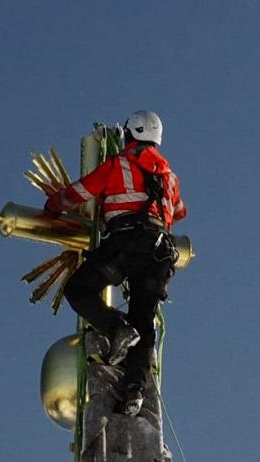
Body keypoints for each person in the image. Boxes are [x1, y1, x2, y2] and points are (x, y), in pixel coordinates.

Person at [43, 110, 187, 415]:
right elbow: (179, 211)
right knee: (145, 322)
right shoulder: (169, 176)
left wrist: (55, 206)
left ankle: (117, 328)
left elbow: (80, 192)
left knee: (79, 290)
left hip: (125, 244)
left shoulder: (119, 164)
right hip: (160, 255)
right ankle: (135, 391)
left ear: (130, 134)